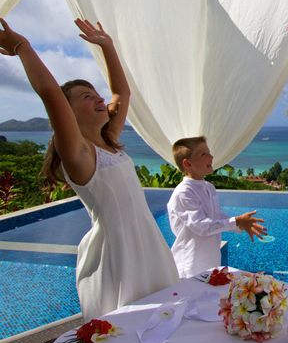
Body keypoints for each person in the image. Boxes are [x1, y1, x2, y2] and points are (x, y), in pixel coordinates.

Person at [0, 17, 179, 320]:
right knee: (127, 327)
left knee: (163, 321)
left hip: (148, 244)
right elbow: (51, 94)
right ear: (67, 114)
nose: (99, 98)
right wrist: (22, 46)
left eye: (96, 93)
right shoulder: (79, 154)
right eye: (86, 96)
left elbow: (122, 94)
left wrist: (108, 46)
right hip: (118, 255)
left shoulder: (109, 142)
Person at [168, 136, 267, 279]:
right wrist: (236, 221)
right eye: (204, 154)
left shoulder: (208, 187)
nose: (211, 157)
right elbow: (202, 226)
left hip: (209, 261)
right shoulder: (184, 193)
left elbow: (216, 217)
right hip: (190, 265)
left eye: (209, 152)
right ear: (188, 164)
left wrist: (241, 225)